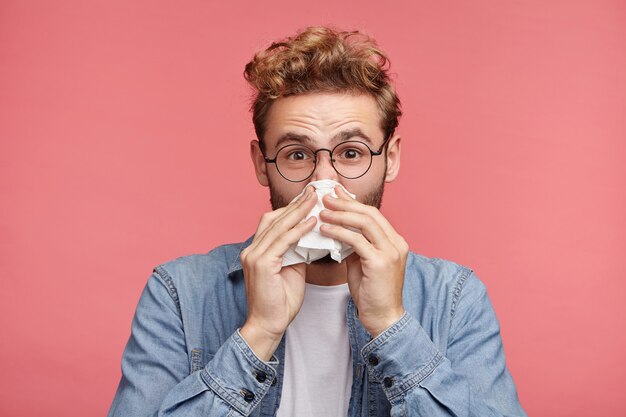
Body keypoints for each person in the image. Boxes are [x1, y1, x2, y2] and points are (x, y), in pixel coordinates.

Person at [107, 26, 527, 417]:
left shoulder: (453, 299)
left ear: (390, 158)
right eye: (297, 154)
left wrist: (391, 326)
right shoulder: (180, 293)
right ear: (261, 164)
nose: (323, 180)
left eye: (350, 153)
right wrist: (258, 333)